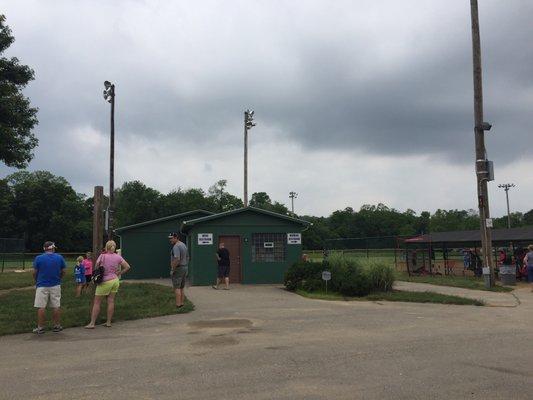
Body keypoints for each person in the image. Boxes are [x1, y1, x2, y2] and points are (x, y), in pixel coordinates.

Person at [85, 240, 131, 328]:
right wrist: (119, 273)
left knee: (97, 302)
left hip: (105, 281)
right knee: (111, 301)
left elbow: (96, 267)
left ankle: (92, 323)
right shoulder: (118, 257)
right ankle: (108, 322)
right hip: (115, 280)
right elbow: (128, 267)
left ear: (106, 247)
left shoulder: (102, 256)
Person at [32, 241, 66, 334]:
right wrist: (59, 278)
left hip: (42, 285)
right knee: (56, 305)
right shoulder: (59, 257)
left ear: (44, 248)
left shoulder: (38, 258)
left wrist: (36, 280)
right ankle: (56, 326)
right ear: (53, 248)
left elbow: (35, 272)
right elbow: (63, 271)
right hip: (55, 284)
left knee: (41, 307)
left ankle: (40, 327)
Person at [169, 232, 189, 308]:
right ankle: (182, 303)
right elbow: (187, 257)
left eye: (171, 238)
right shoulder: (183, 245)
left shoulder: (176, 246)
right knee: (181, 287)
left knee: (177, 287)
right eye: (170, 238)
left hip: (178, 268)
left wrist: (172, 269)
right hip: (184, 267)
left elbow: (177, 259)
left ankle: (178, 305)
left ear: (176, 238)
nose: (170, 240)